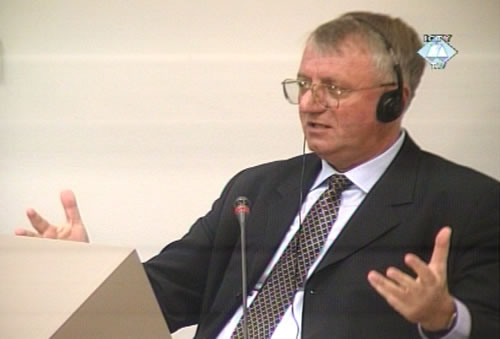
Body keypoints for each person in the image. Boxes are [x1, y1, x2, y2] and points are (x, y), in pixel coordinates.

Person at [15, 11, 499, 339]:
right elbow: (163, 295)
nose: (310, 104)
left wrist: (444, 319)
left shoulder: (468, 202)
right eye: (305, 84)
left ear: (395, 100)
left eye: (333, 88)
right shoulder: (257, 188)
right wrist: (88, 278)